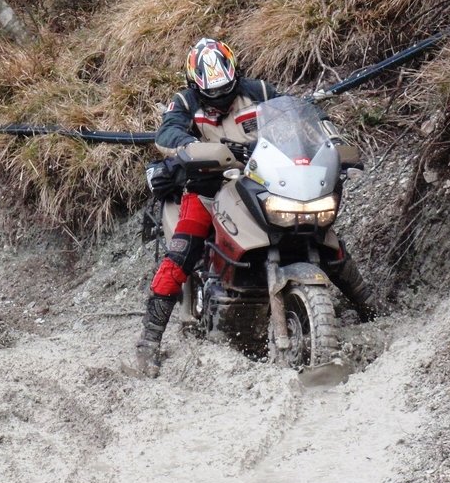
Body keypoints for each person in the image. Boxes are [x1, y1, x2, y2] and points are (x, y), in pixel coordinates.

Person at [135, 37, 378, 378]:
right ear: (196, 86)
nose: (220, 99)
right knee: (181, 253)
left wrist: (329, 137)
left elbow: (299, 116)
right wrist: (190, 146)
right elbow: (167, 135)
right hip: (207, 186)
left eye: (226, 90)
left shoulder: (259, 91)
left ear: (235, 76)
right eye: (211, 94)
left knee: (323, 235)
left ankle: (372, 312)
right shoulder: (185, 102)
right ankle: (149, 342)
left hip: (260, 181)